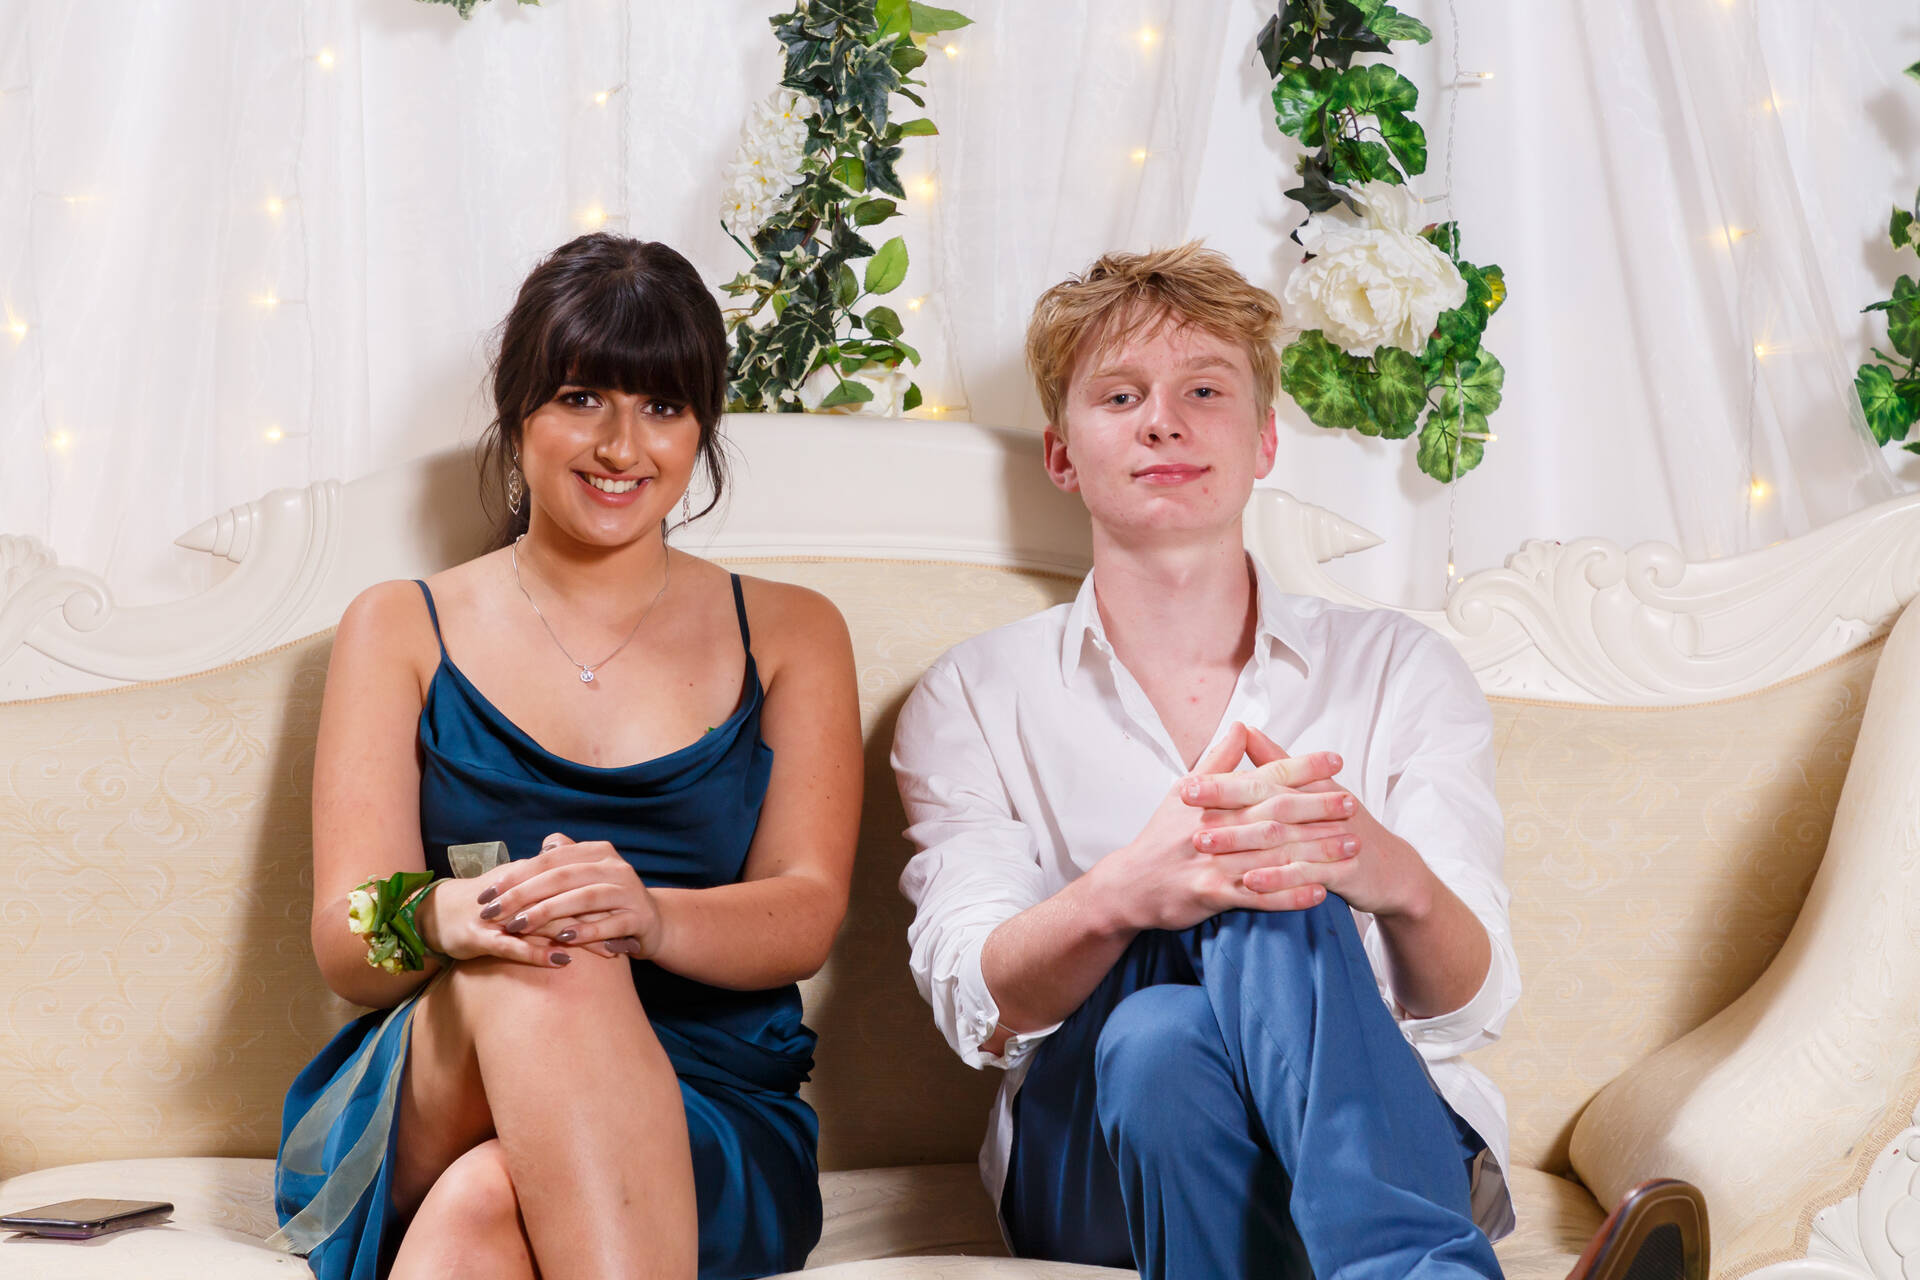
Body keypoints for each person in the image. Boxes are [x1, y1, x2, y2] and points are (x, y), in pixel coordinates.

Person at [891, 243, 1518, 1279]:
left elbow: (1467, 1008)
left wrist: (1386, 872)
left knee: (1166, 1040)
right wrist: (1129, 891)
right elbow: (978, 1005)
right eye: (1120, 395)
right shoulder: (973, 693)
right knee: (1255, 873)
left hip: (1369, 1124)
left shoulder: (1401, 668)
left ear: (1264, 439)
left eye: (1205, 390)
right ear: (1061, 455)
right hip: (1088, 1163)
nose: (1163, 421)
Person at [272, 233, 861, 1280]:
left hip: (706, 1101)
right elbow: (341, 937)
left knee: (482, 1205)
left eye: (663, 406)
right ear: (518, 414)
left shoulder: (793, 632)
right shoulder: (399, 625)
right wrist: (450, 915)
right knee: (546, 954)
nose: (622, 446)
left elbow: (806, 911)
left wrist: (650, 917)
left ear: (702, 428)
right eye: (583, 398)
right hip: (444, 1080)